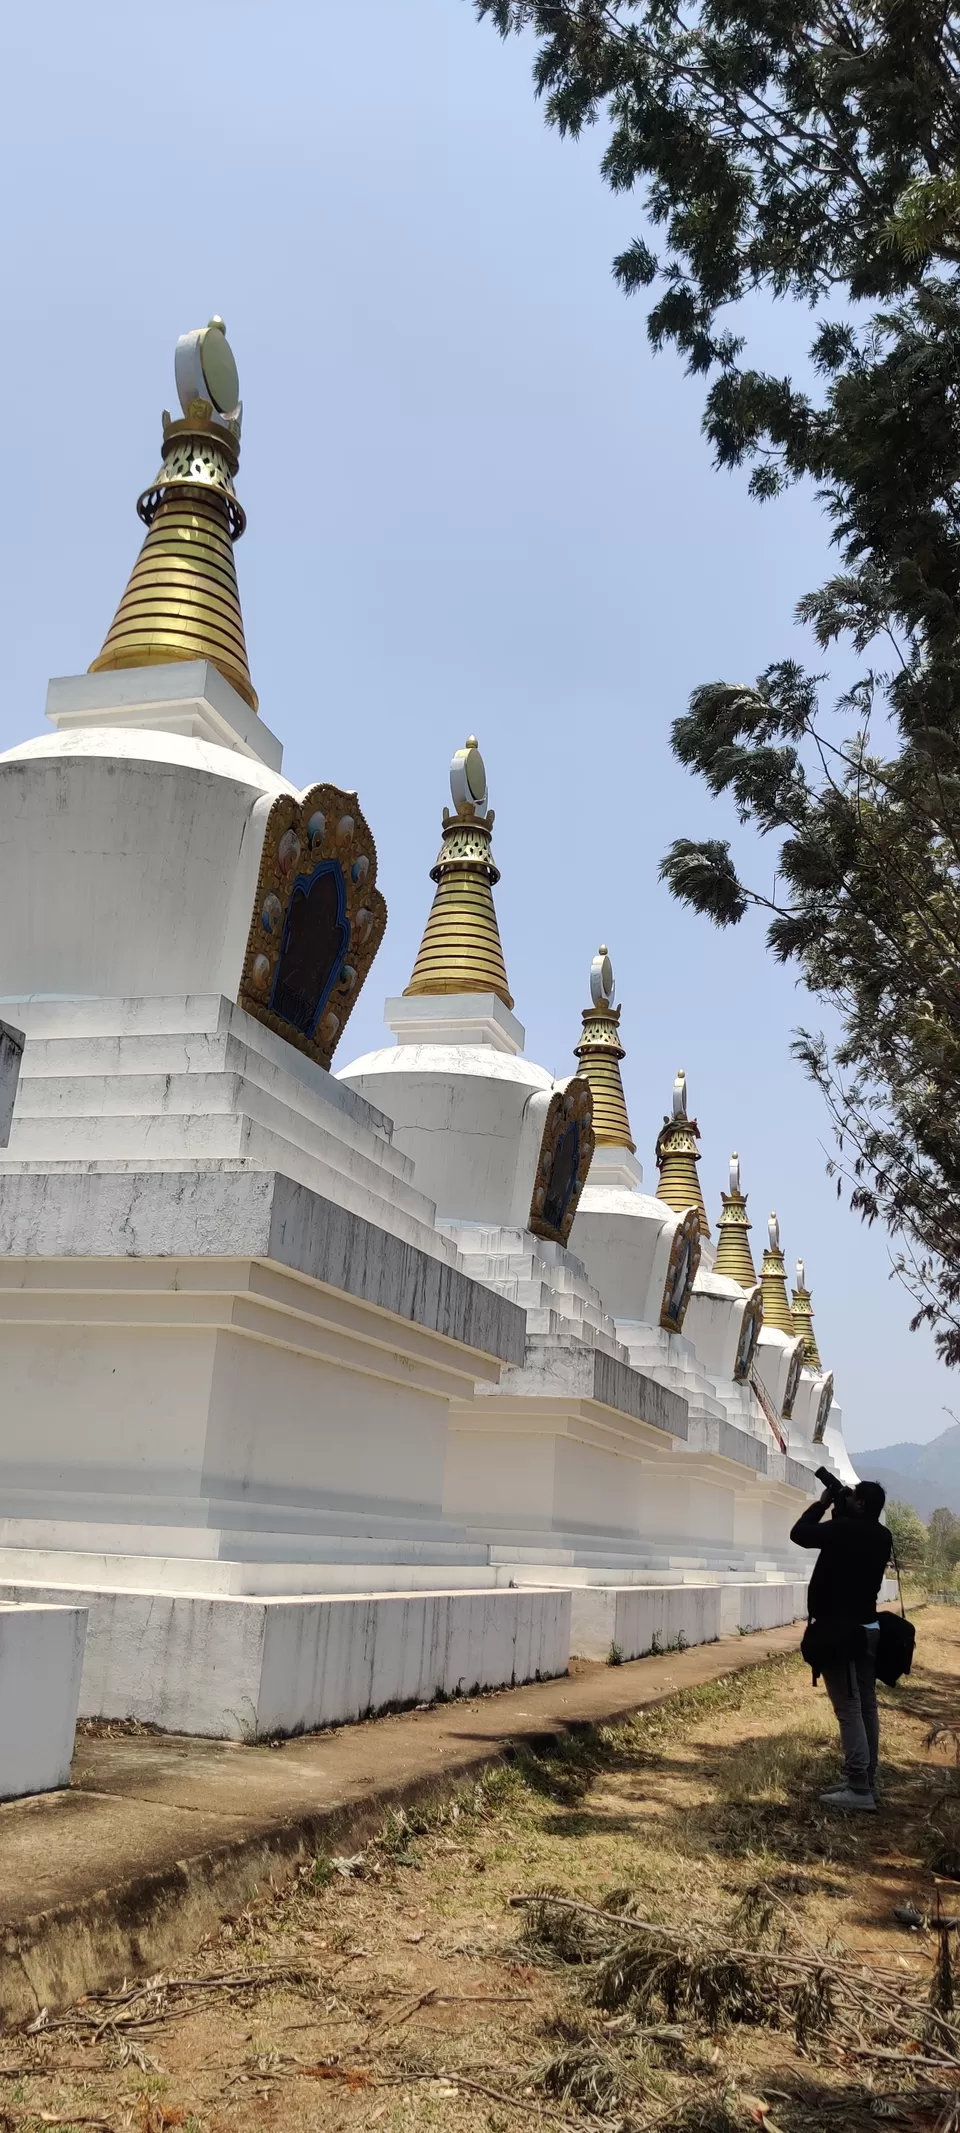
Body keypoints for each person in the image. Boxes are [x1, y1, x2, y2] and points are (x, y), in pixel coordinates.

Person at [790, 1479, 892, 1812]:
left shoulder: (844, 1530)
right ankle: (867, 1780)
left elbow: (801, 1534)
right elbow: (844, 1540)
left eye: (853, 1497)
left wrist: (822, 1504)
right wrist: (841, 1510)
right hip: (869, 1627)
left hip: (841, 1633)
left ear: (861, 1504)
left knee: (848, 1709)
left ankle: (859, 1787)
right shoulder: (881, 1535)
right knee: (866, 1706)